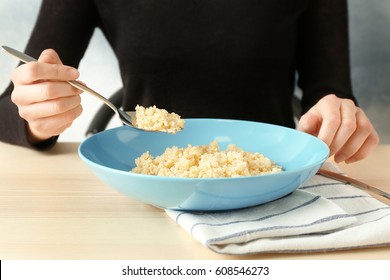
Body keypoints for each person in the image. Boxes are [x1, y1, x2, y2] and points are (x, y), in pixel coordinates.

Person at [0, 0, 379, 163]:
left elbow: (331, 91)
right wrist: (35, 115)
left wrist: (339, 114)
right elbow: (8, 110)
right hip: (143, 178)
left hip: (271, 178)